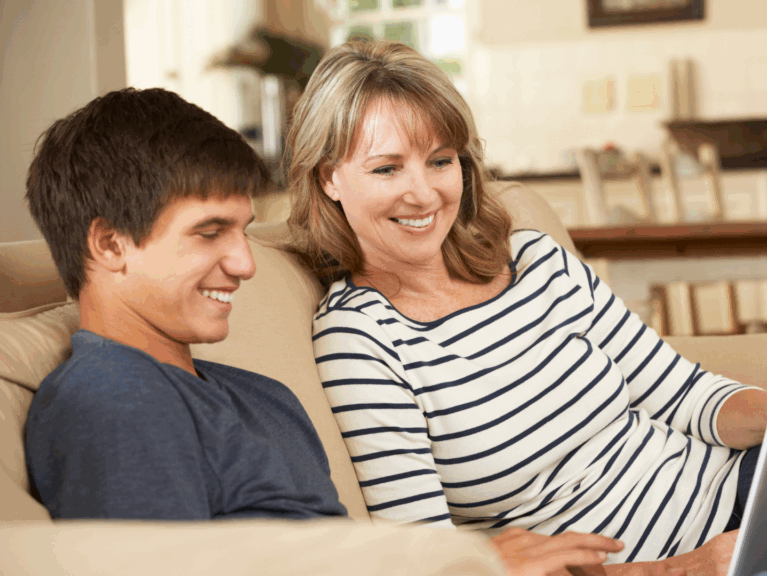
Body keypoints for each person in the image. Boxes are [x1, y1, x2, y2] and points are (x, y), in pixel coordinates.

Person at [286, 40, 767, 572]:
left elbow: (680, 393)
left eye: (440, 161)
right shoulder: (362, 339)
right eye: (387, 168)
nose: (423, 192)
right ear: (328, 179)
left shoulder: (535, 261)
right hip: (675, 559)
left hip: (746, 486)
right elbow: (427, 555)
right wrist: (678, 568)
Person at [22, 87, 625, 576]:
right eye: (209, 233)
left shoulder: (259, 395)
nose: (245, 264)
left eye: (243, 232)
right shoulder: (111, 400)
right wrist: (462, 564)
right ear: (110, 244)